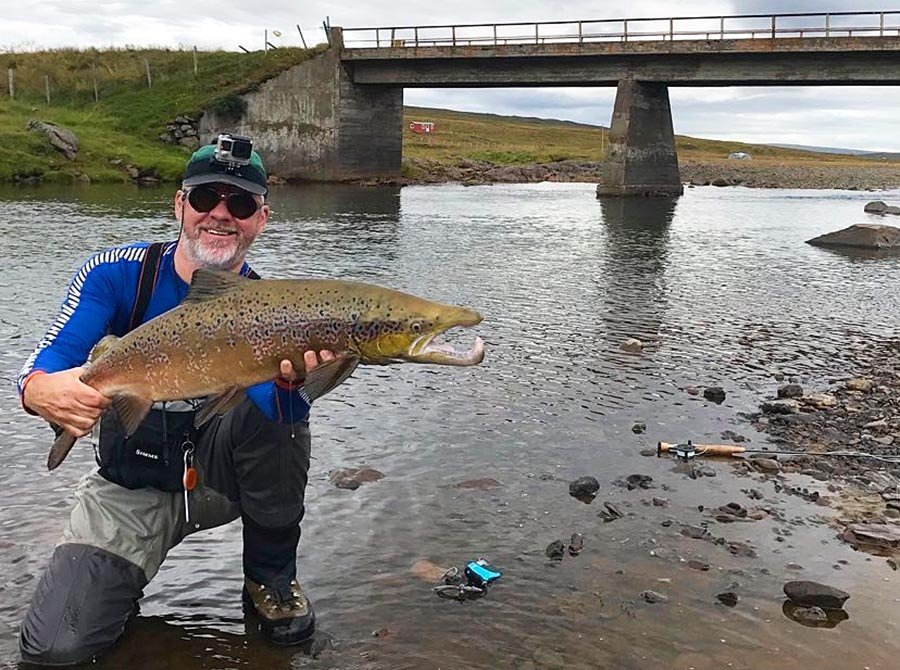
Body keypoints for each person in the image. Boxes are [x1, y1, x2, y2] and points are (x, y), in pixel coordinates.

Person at [16, 137, 331, 665]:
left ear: (262, 219)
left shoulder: (276, 308)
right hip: (130, 486)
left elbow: (276, 435)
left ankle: (270, 581)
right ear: (179, 205)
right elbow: (50, 357)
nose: (221, 215)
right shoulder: (119, 274)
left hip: (220, 482)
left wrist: (296, 387)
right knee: (54, 652)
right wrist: (38, 389)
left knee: (278, 418)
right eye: (206, 197)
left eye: (241, 204)